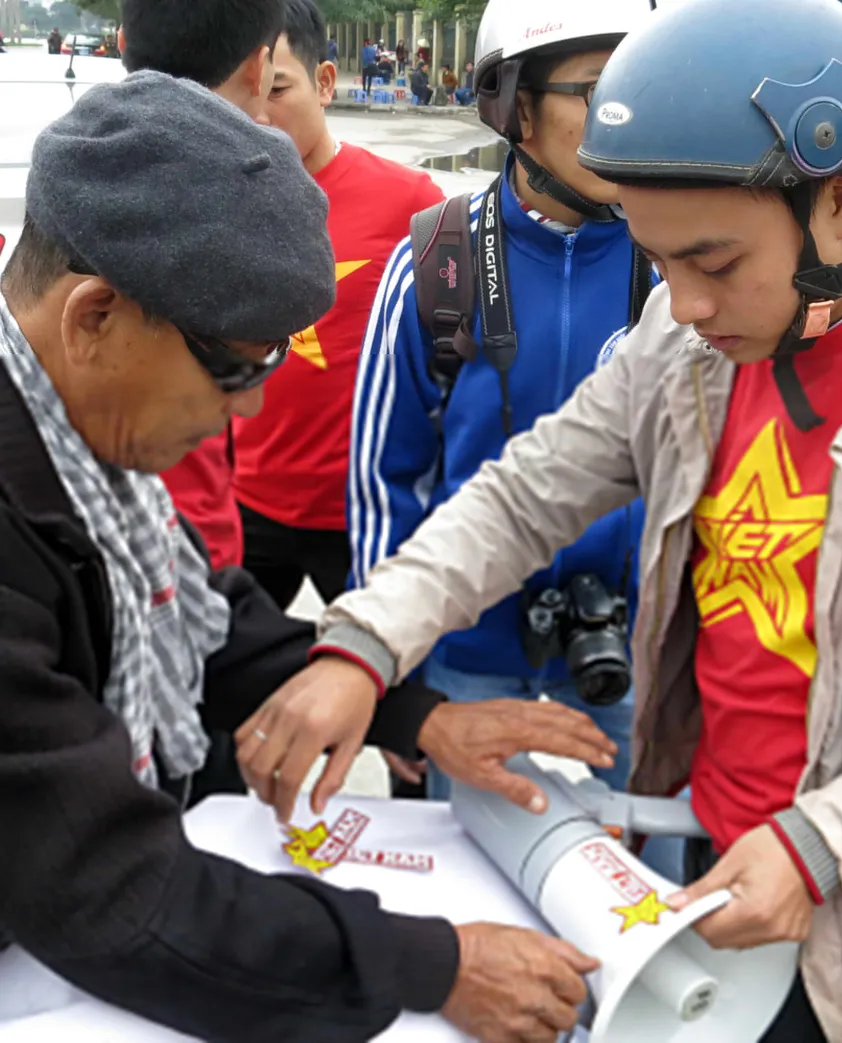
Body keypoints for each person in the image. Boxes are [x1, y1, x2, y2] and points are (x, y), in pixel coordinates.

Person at [237, 0, 842, 1040]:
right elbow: (523, 494)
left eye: (714, 264)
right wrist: (366, 644)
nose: (681, 305)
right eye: (658, 260)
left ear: (841, 200)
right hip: (701, 857)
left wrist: (827, 844)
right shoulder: (683, 349)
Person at [0, 70, 615, 1043]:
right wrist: (431, 964)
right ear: (95, 317)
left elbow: (203, 620)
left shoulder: (78, 450)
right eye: (234, 367)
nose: (247, 408)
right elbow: (109, 886)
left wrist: (415, 715)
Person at [342, 0, 656, 804]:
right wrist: (397, 677)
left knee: (651, 857)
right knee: (466, 860)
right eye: (598, 89)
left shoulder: (679, 262)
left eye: (642, 84)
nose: (628, 114)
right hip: (465, 650)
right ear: (515, 105)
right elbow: (384, 484)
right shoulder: (436, 265)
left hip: (631, 644)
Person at [232, 0, 444, 612]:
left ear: (324, 83)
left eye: (277, 90)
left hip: (364, 512)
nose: (257, 115)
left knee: (382, 665)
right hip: (246, 501)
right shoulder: (217, 199)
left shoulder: (410, 202)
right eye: (242, 93)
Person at [119, 0, 283, 569]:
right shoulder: (262, 193)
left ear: (122, 43)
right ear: (259, 67)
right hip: (197, 543)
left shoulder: (78, 177)